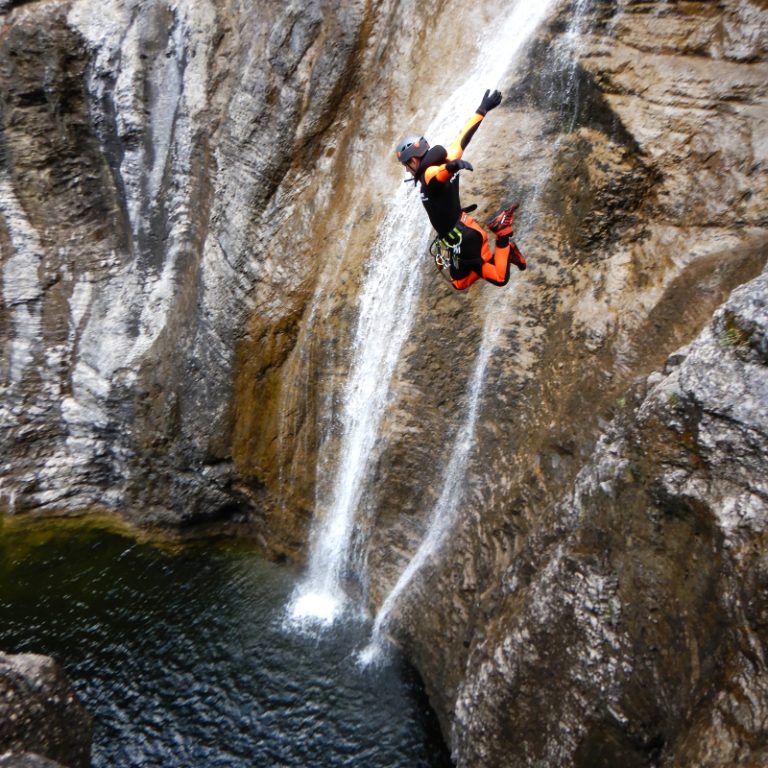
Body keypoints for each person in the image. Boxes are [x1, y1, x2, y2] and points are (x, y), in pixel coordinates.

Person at [396, 88, 526, 290]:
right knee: (459, 282)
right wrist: (482, 109)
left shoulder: (429, 173)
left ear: (413, 160)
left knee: (499, 277)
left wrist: (451, 168)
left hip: (466, 237)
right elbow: (464, 137)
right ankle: (501, 255)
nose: (406, 169)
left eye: (406, 164)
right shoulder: (449, 156)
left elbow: (437, 175)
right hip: (458, 236)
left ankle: (503, 236)